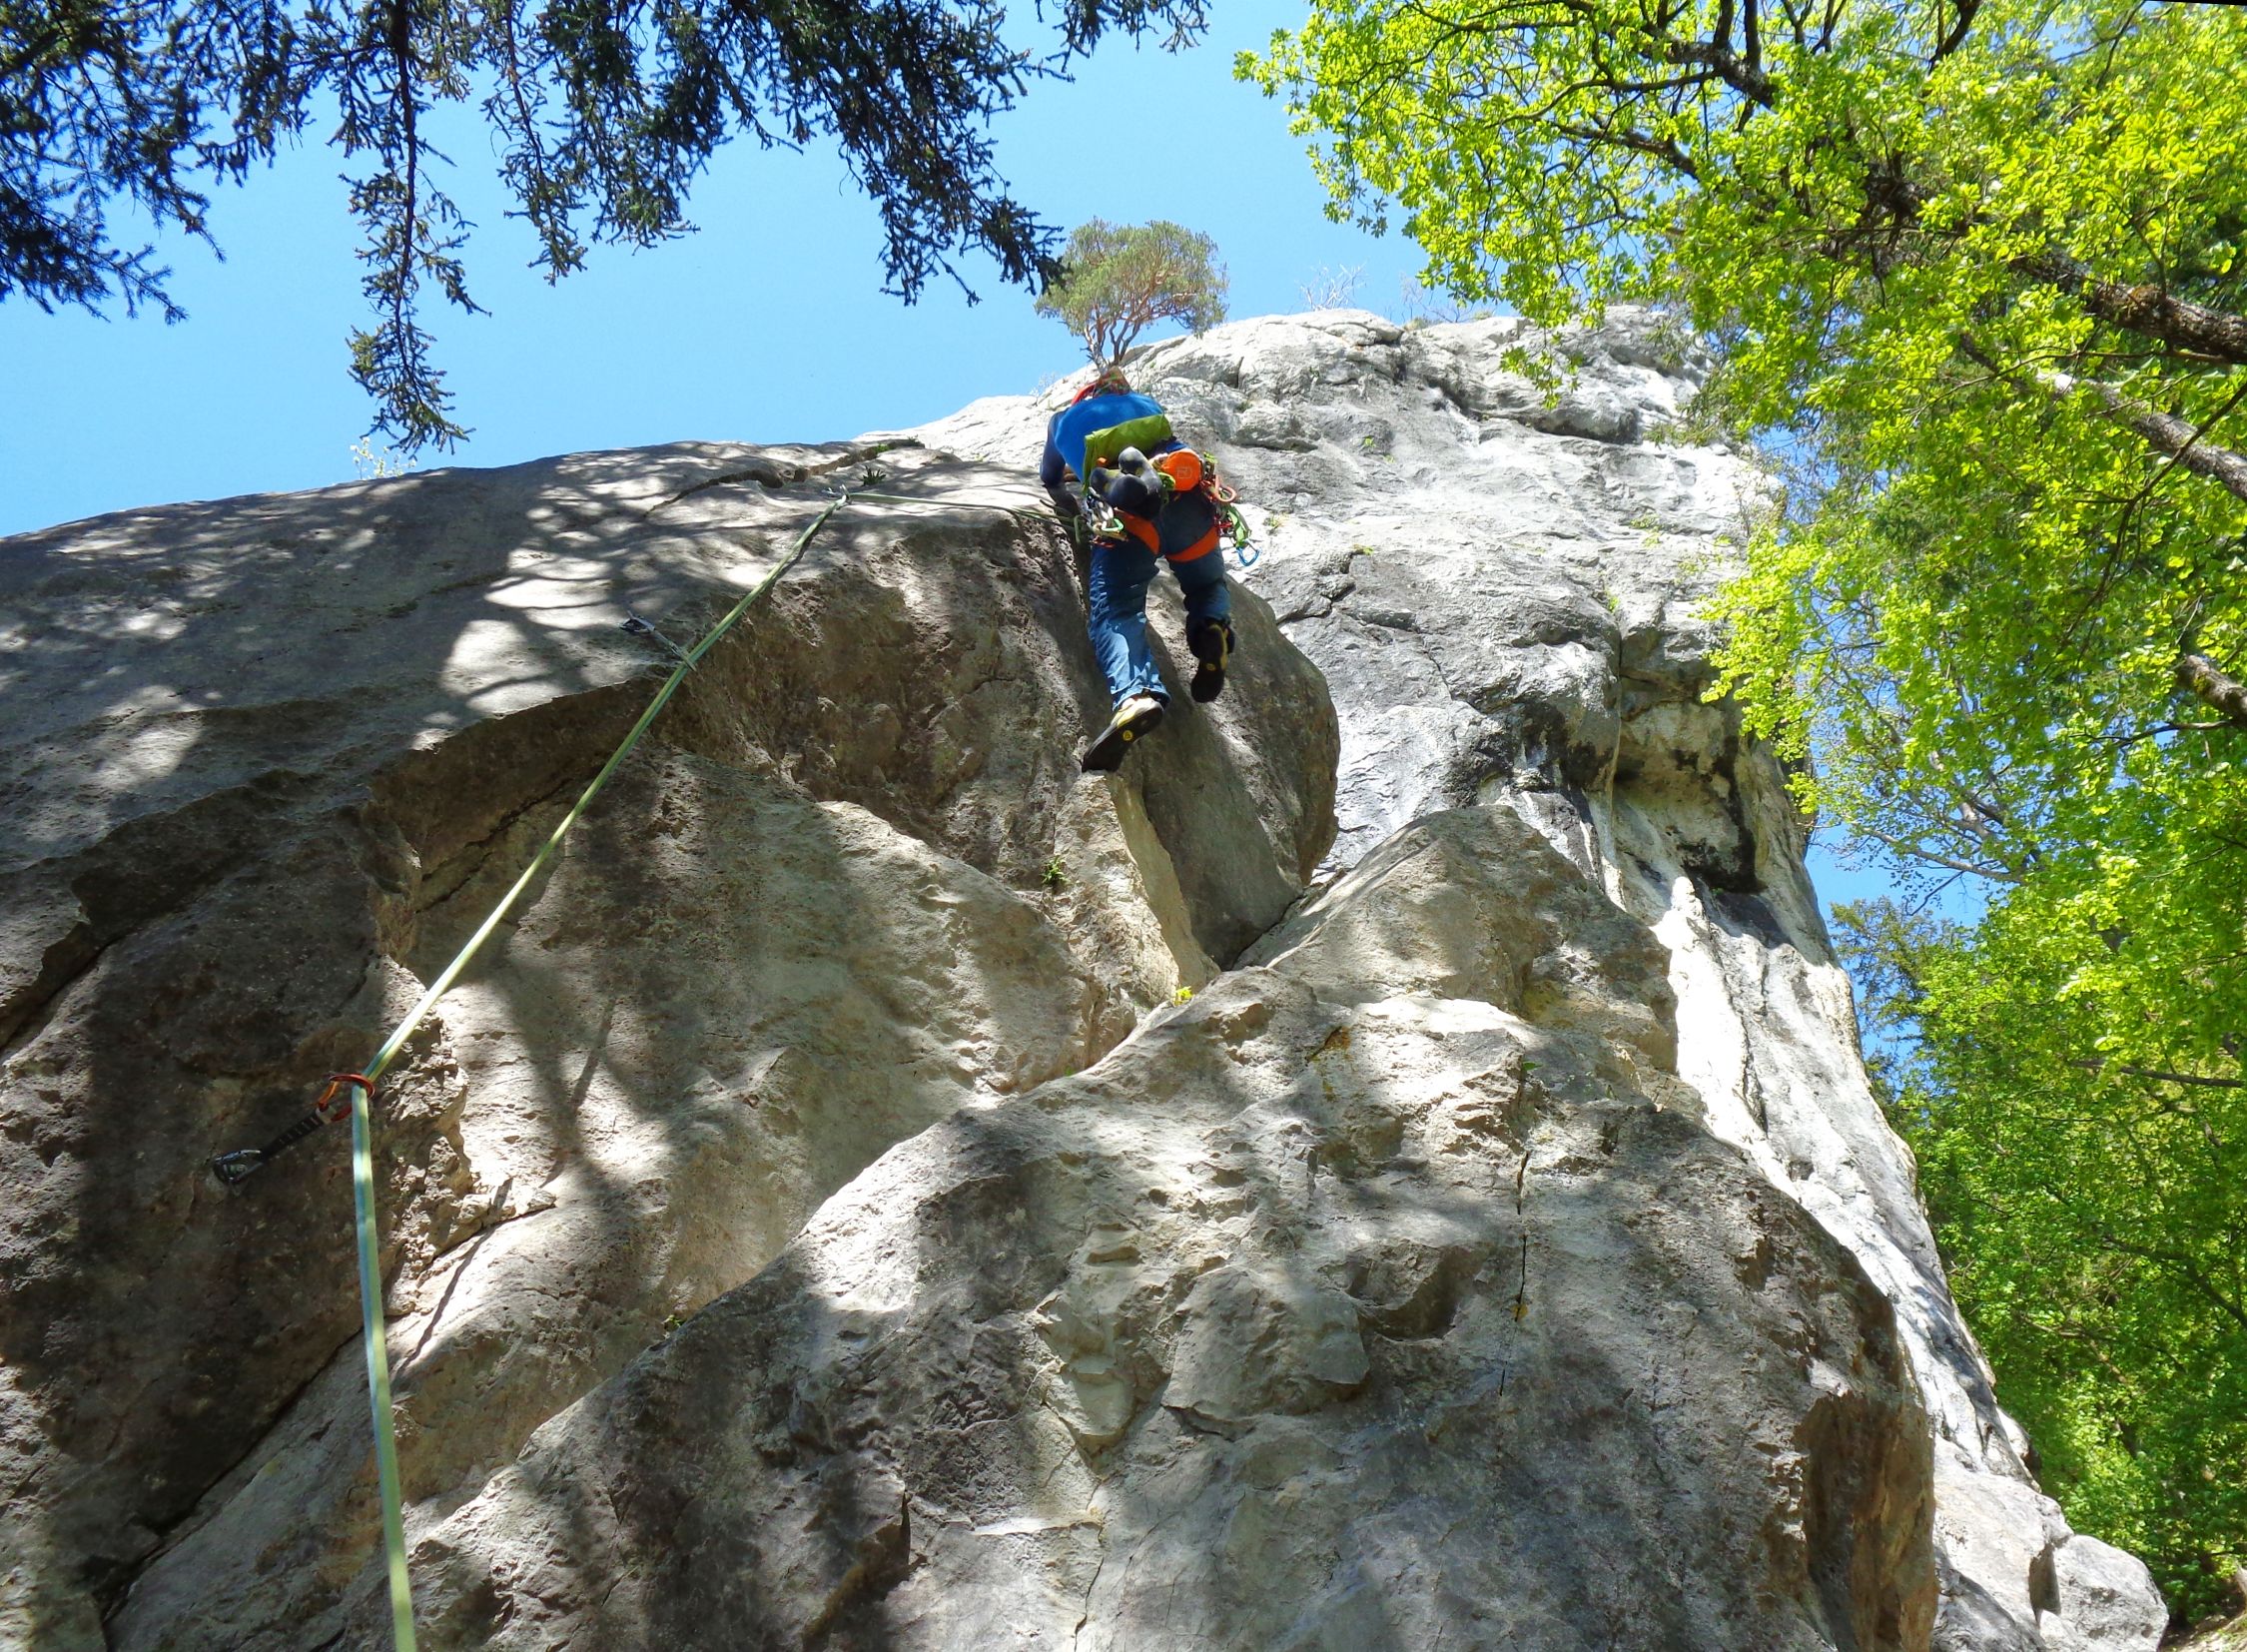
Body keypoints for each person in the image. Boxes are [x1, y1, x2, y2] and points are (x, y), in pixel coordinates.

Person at [1041, 368, 1237, 772]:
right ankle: (1211, 627)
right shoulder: (1144, 404)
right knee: (1206, 584)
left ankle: (1136, 697)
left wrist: (1068, 471)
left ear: (1083, 399)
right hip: (1188, 497)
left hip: (1130, 517)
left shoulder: (1062, 420)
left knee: (1116, 610)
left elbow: (1049, 476)